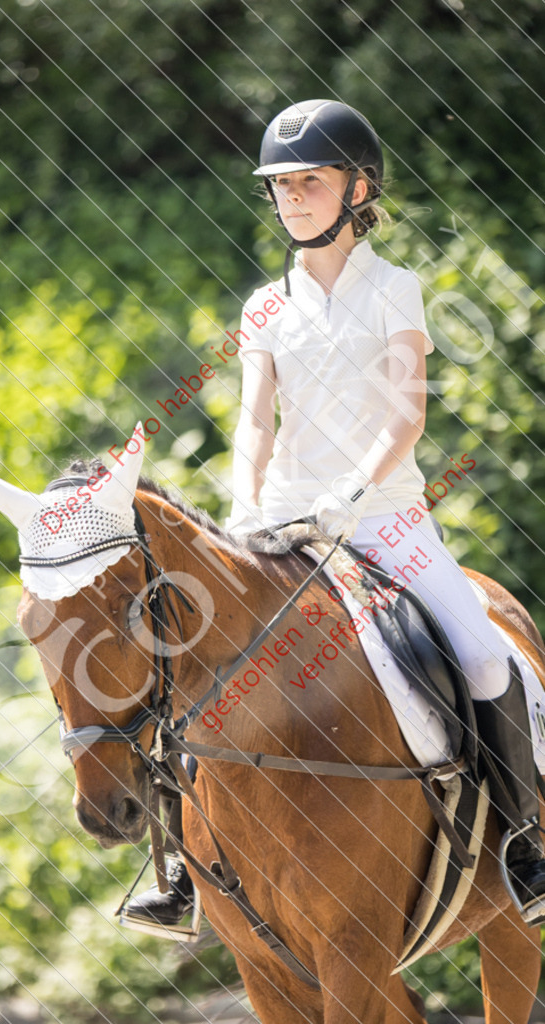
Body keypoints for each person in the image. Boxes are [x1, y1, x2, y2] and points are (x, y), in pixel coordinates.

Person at [125, 98, 545, 930]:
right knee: (184, 658)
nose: (289, 198)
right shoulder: (263, 307)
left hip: (384, 515)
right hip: (281, 520)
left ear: (357, 188)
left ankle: (527, 845)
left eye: (307, 182)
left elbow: (406, 416)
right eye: (279, 185)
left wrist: (353, 488)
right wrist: (243, 505)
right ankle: (178, 871)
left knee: (485, 657)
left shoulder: (396, 289)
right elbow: (252, 419)